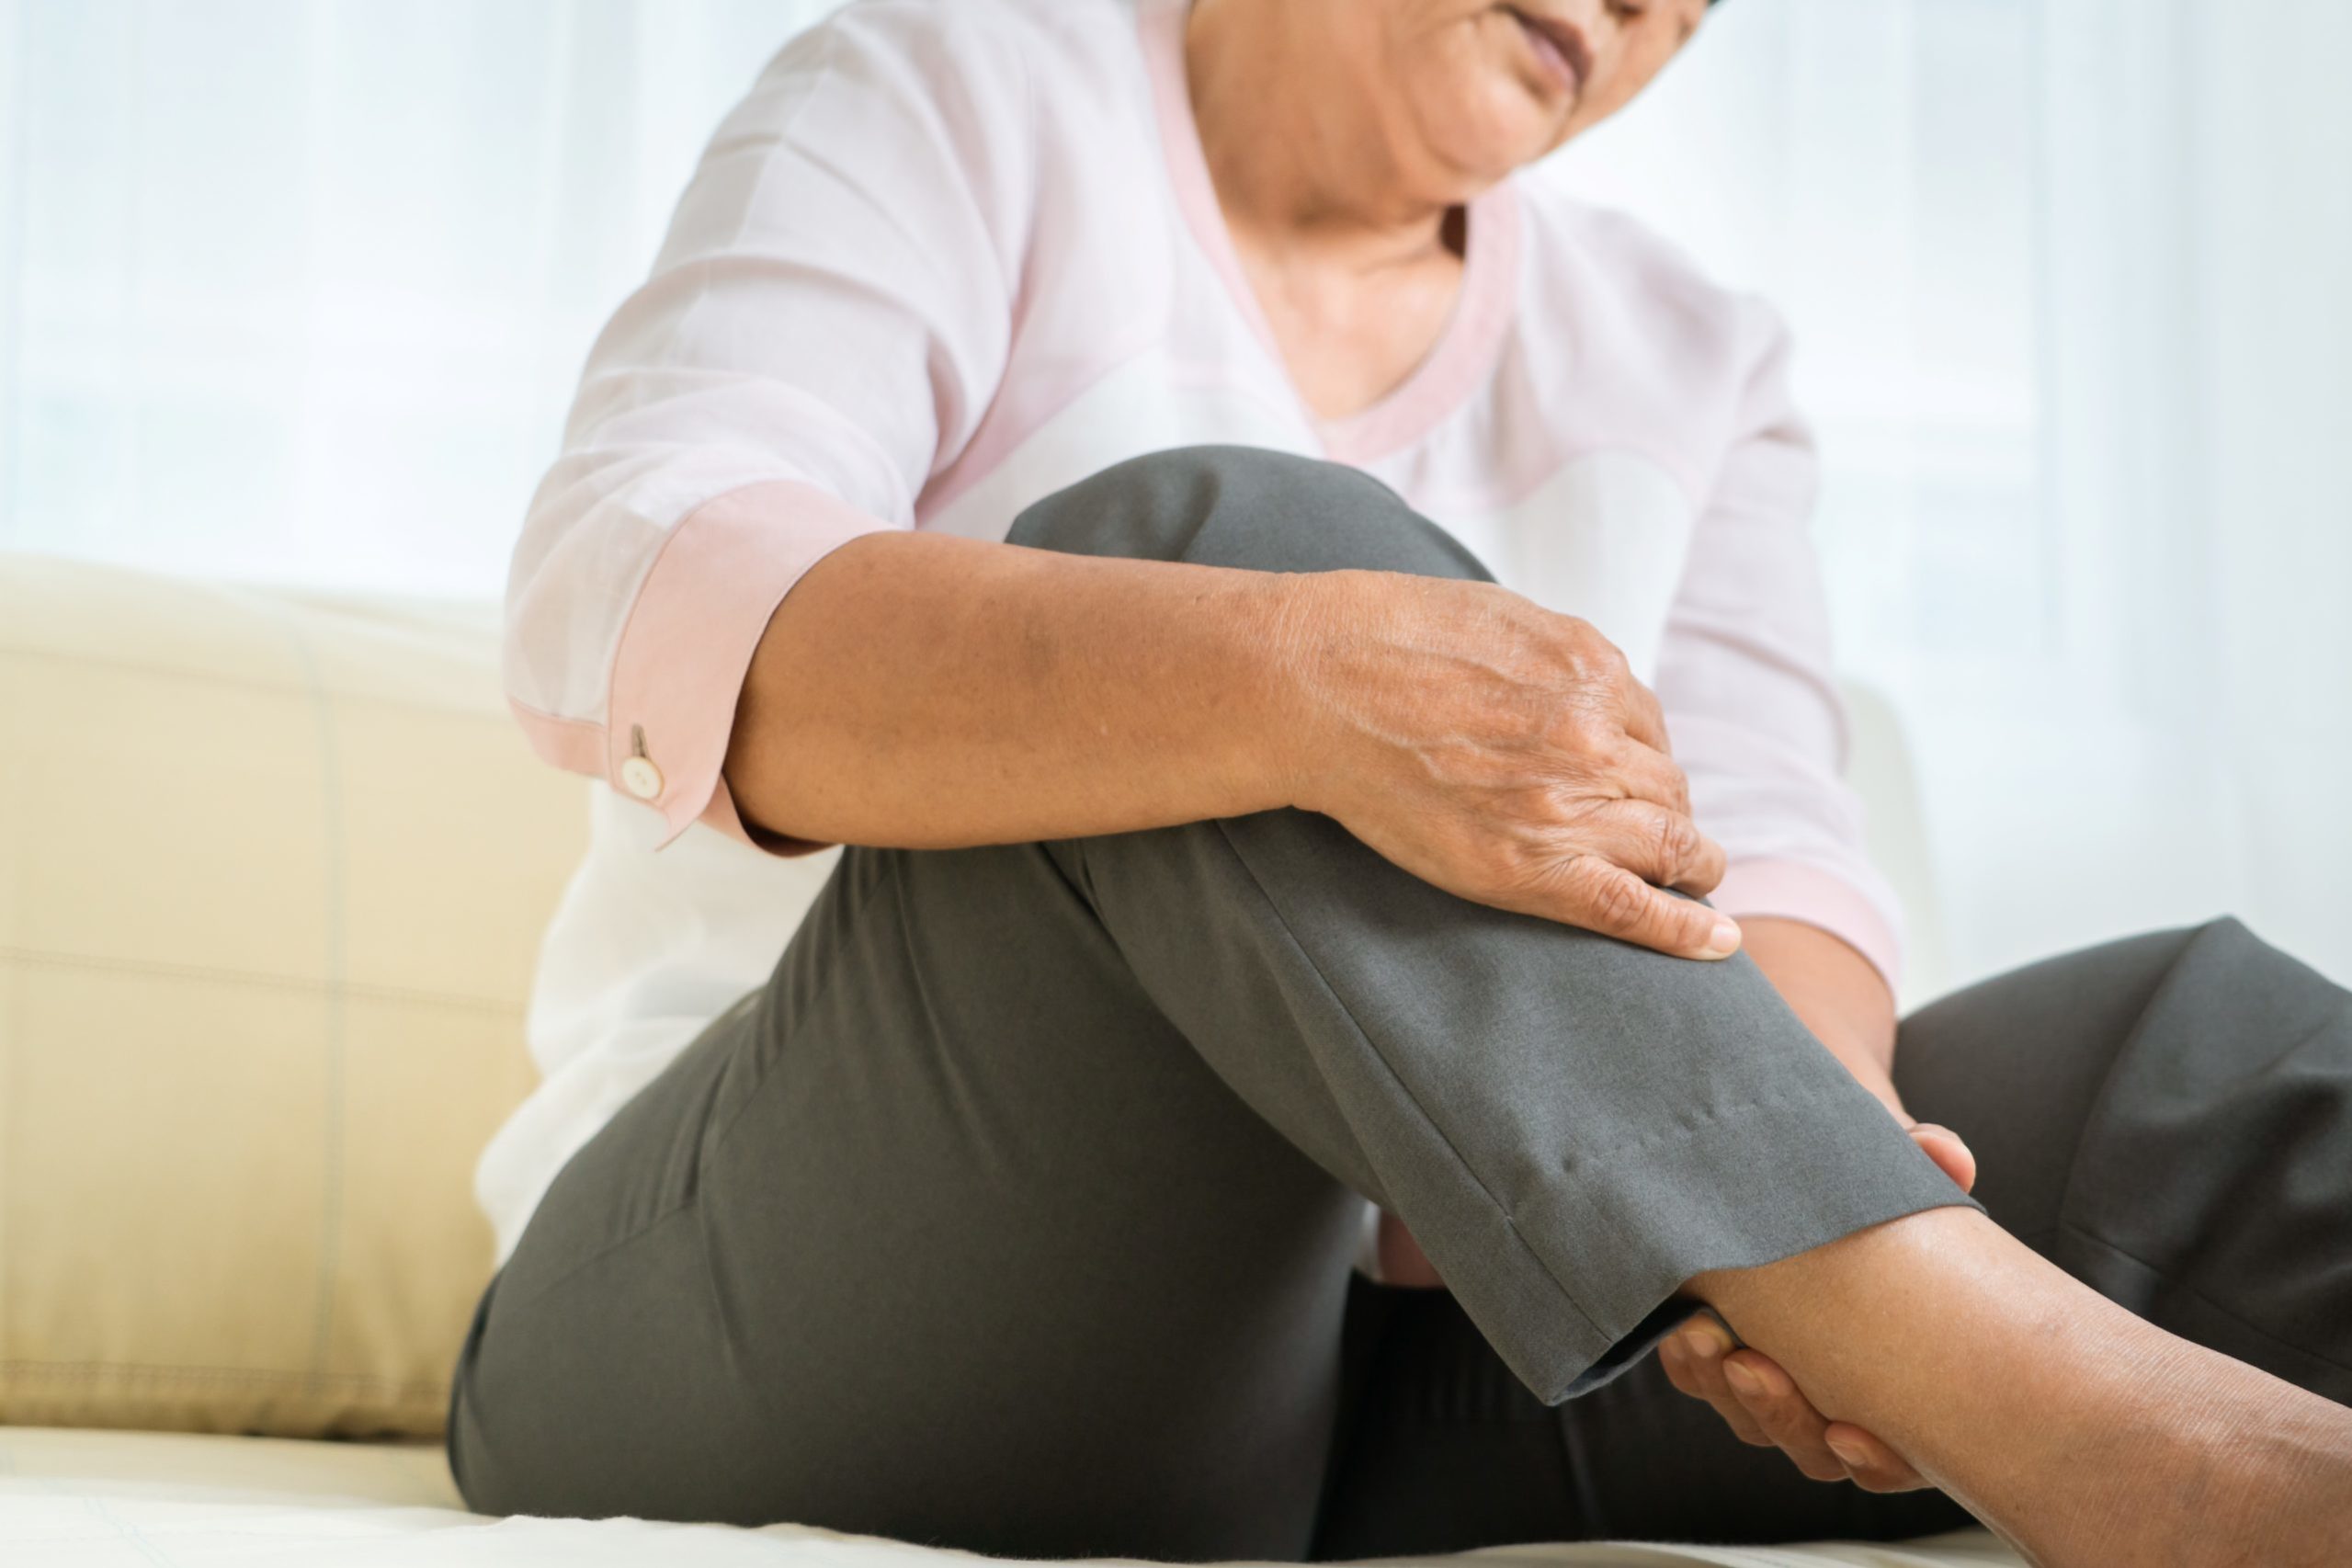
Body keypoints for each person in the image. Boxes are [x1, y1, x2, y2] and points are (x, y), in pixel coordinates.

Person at [450, 1, 2352, 1562]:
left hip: (1393, 1358)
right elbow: (630, 575)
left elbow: (1766, 853)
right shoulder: (959, 89)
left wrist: (1809, 1150)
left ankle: (1936, 1325)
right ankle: (2097, 1437)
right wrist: (1294, 677)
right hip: (804, 1299)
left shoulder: (1692, 358)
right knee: (1234, 557)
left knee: (2196, 1059)